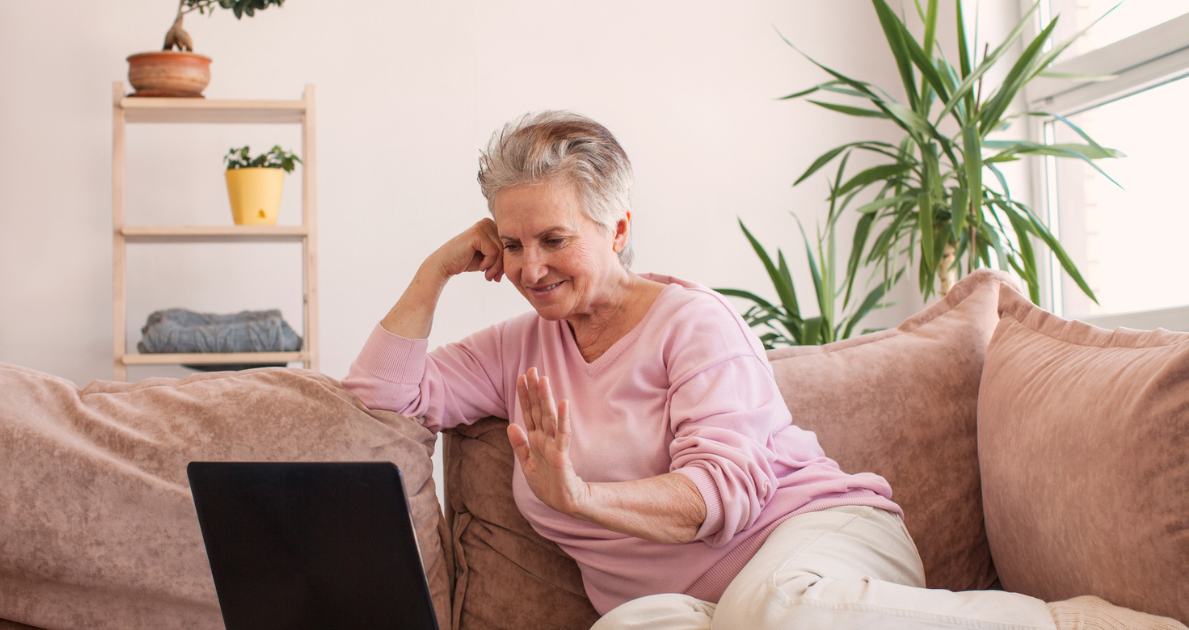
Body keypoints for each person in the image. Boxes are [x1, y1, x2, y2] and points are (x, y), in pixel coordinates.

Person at [342, 111, 1184, 630]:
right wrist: (435, 271)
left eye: (553, 239)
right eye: (512, 242)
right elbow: (380, 400)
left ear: (617, 226)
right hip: (699, 609)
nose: (530, 269)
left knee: (774, 610)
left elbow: (727, 495)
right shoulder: (517, 347)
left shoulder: (691, 323)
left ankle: (1078, 626)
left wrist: (584, 499)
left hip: (815, 547)